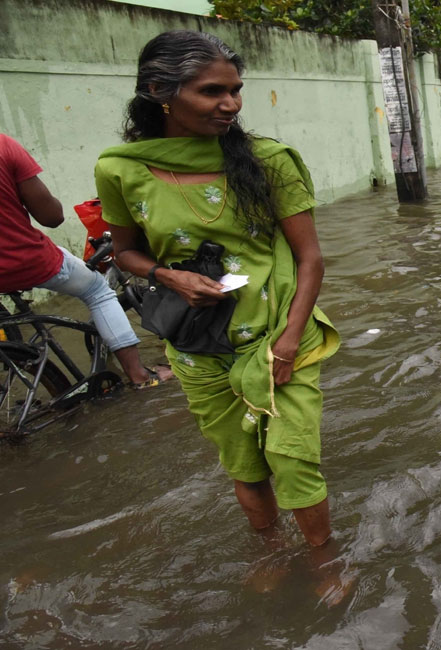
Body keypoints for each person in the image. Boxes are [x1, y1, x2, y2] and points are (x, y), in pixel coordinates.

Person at [94, 30, 344, 594]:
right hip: (198, 345)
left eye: (235, 90)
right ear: (159, 91)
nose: (230, 104)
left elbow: (310, 259)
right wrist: (169, 275)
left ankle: (326, 563)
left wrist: (288, 341)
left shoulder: (268, 161)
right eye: (212, 91)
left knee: (293, 458)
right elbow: (125, 251)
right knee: (244, 463)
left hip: (279, 335)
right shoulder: (121, 169)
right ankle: (271, 552)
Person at [0, 133, 169, 389]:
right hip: (24, 259)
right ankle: (140, 376)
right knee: (98, 290)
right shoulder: (5, 145)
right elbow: (52, 217)